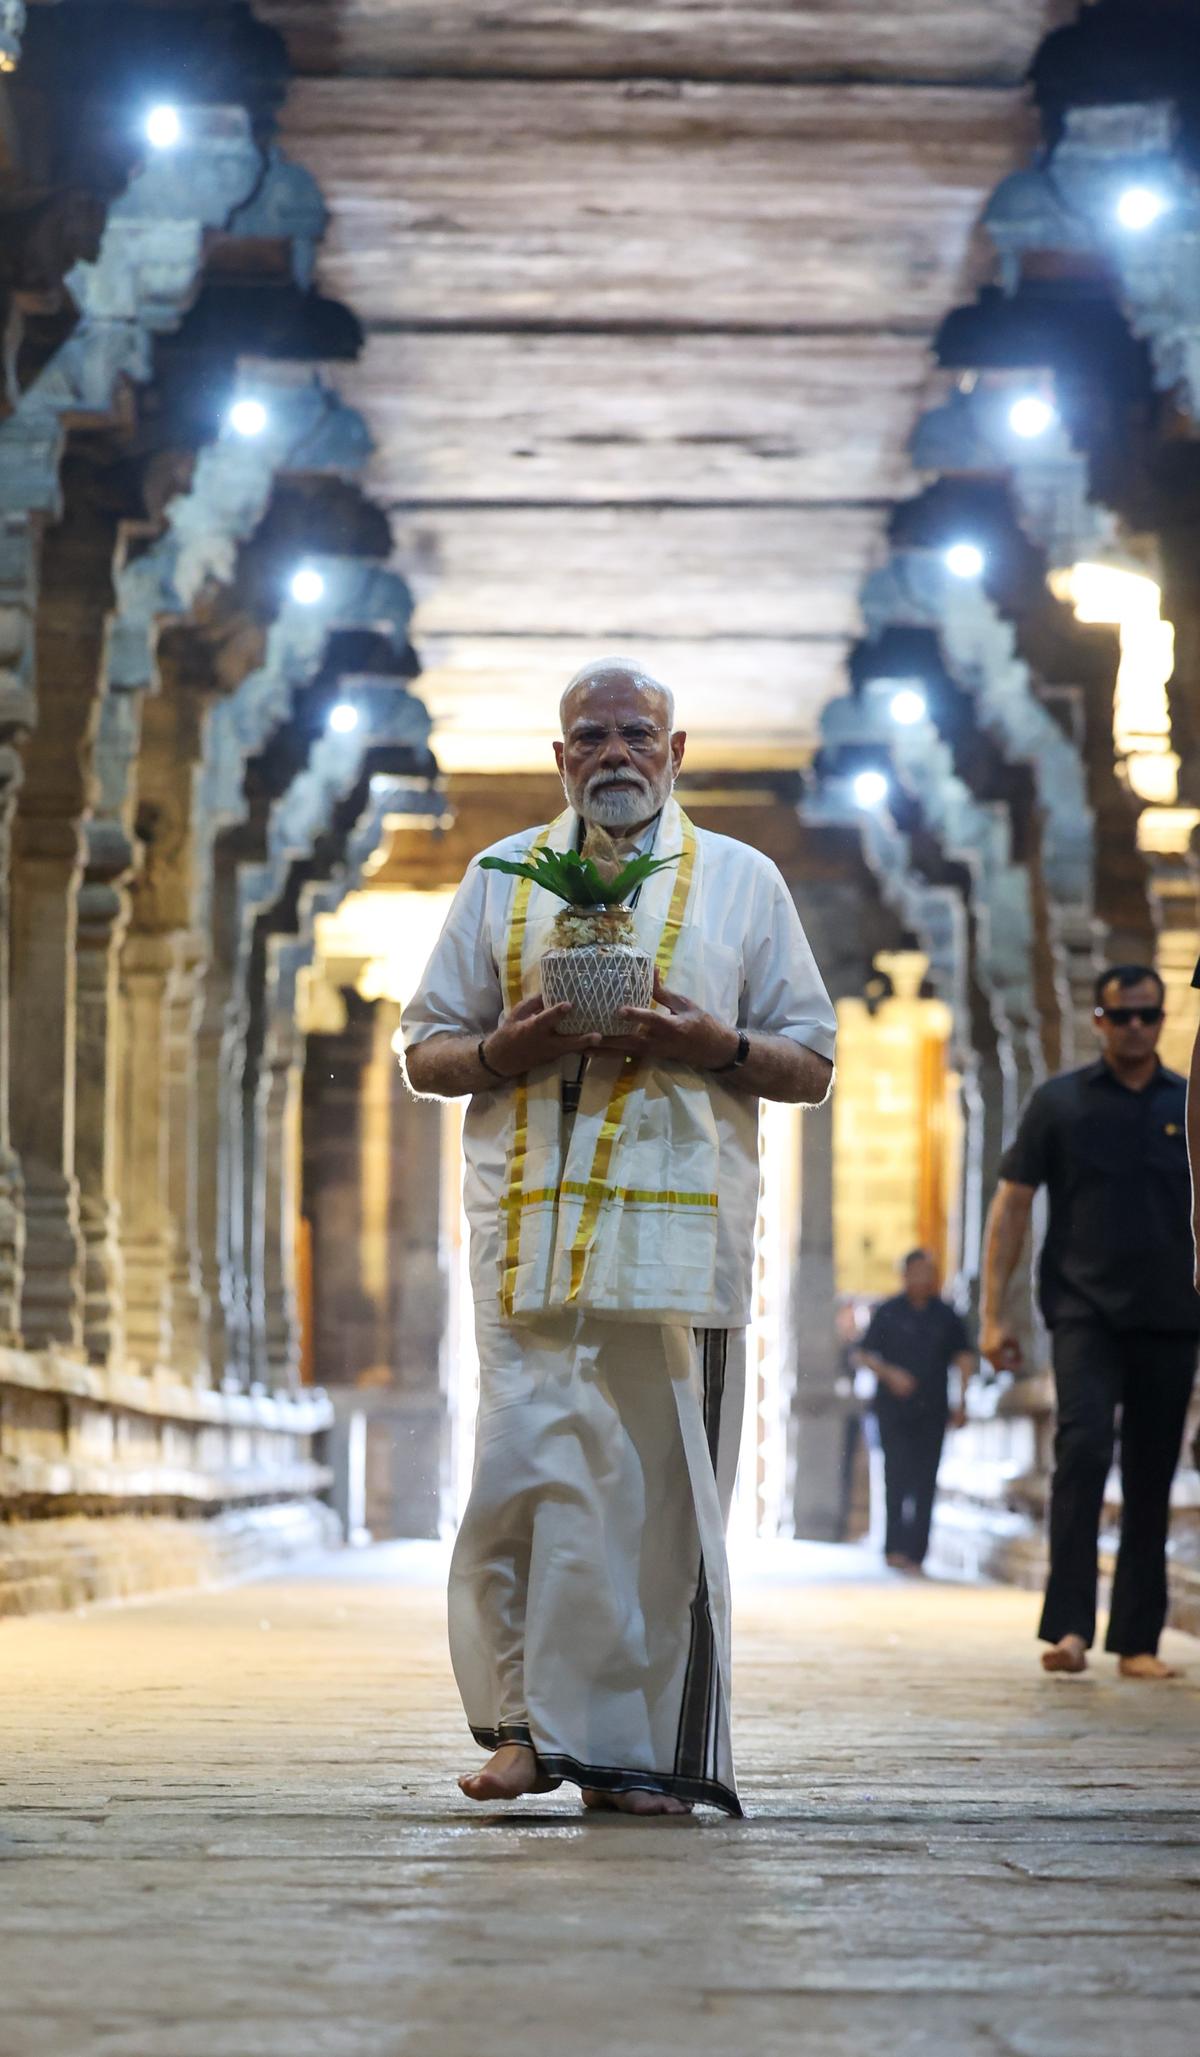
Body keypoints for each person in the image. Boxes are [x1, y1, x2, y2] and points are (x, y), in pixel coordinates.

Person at [402, 658, 836, 1816]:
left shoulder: (742, 883)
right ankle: (525, 1732)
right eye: (590, 736)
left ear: (675, 752)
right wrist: (505, 1049)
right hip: (525, 1243)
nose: (614, 754)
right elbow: (425, 1051)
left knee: (653, 1503)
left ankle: (632, 1757)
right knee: (523, 1482)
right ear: (560, 758)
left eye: (637, 734)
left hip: (675, 1247)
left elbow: (811, 1062)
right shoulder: (499, 878)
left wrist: (713, 1043)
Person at [980, 964, 1199, 1679]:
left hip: (1172, 1314)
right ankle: (1070, 1625)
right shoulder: (1060, 1102)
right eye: (1121, 1016)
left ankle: (1137, 1640)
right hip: (1084, 1312)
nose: (1136, 1027)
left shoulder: (1187, 1103)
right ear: (1099, 1021)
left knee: (1152, 1470)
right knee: (1081, 1452)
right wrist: (992, 1315)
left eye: (1148, 1015)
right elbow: (1012, 1207)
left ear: (1162, 1019)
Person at [855, 1250, 974, 1572]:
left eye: (928, 1271)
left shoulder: (946, 1315)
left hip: (932, 1409)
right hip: (892, 1410)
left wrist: (963, 1402)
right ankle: (893, 1547)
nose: (923, 1277)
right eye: (917, 1271)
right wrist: (890, 1374)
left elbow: (964, 1358)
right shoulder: (888, 1312)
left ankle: (917, 1553)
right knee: (895, 1475)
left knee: (925, 1480)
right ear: (905, 1274)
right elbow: (864, 1354)